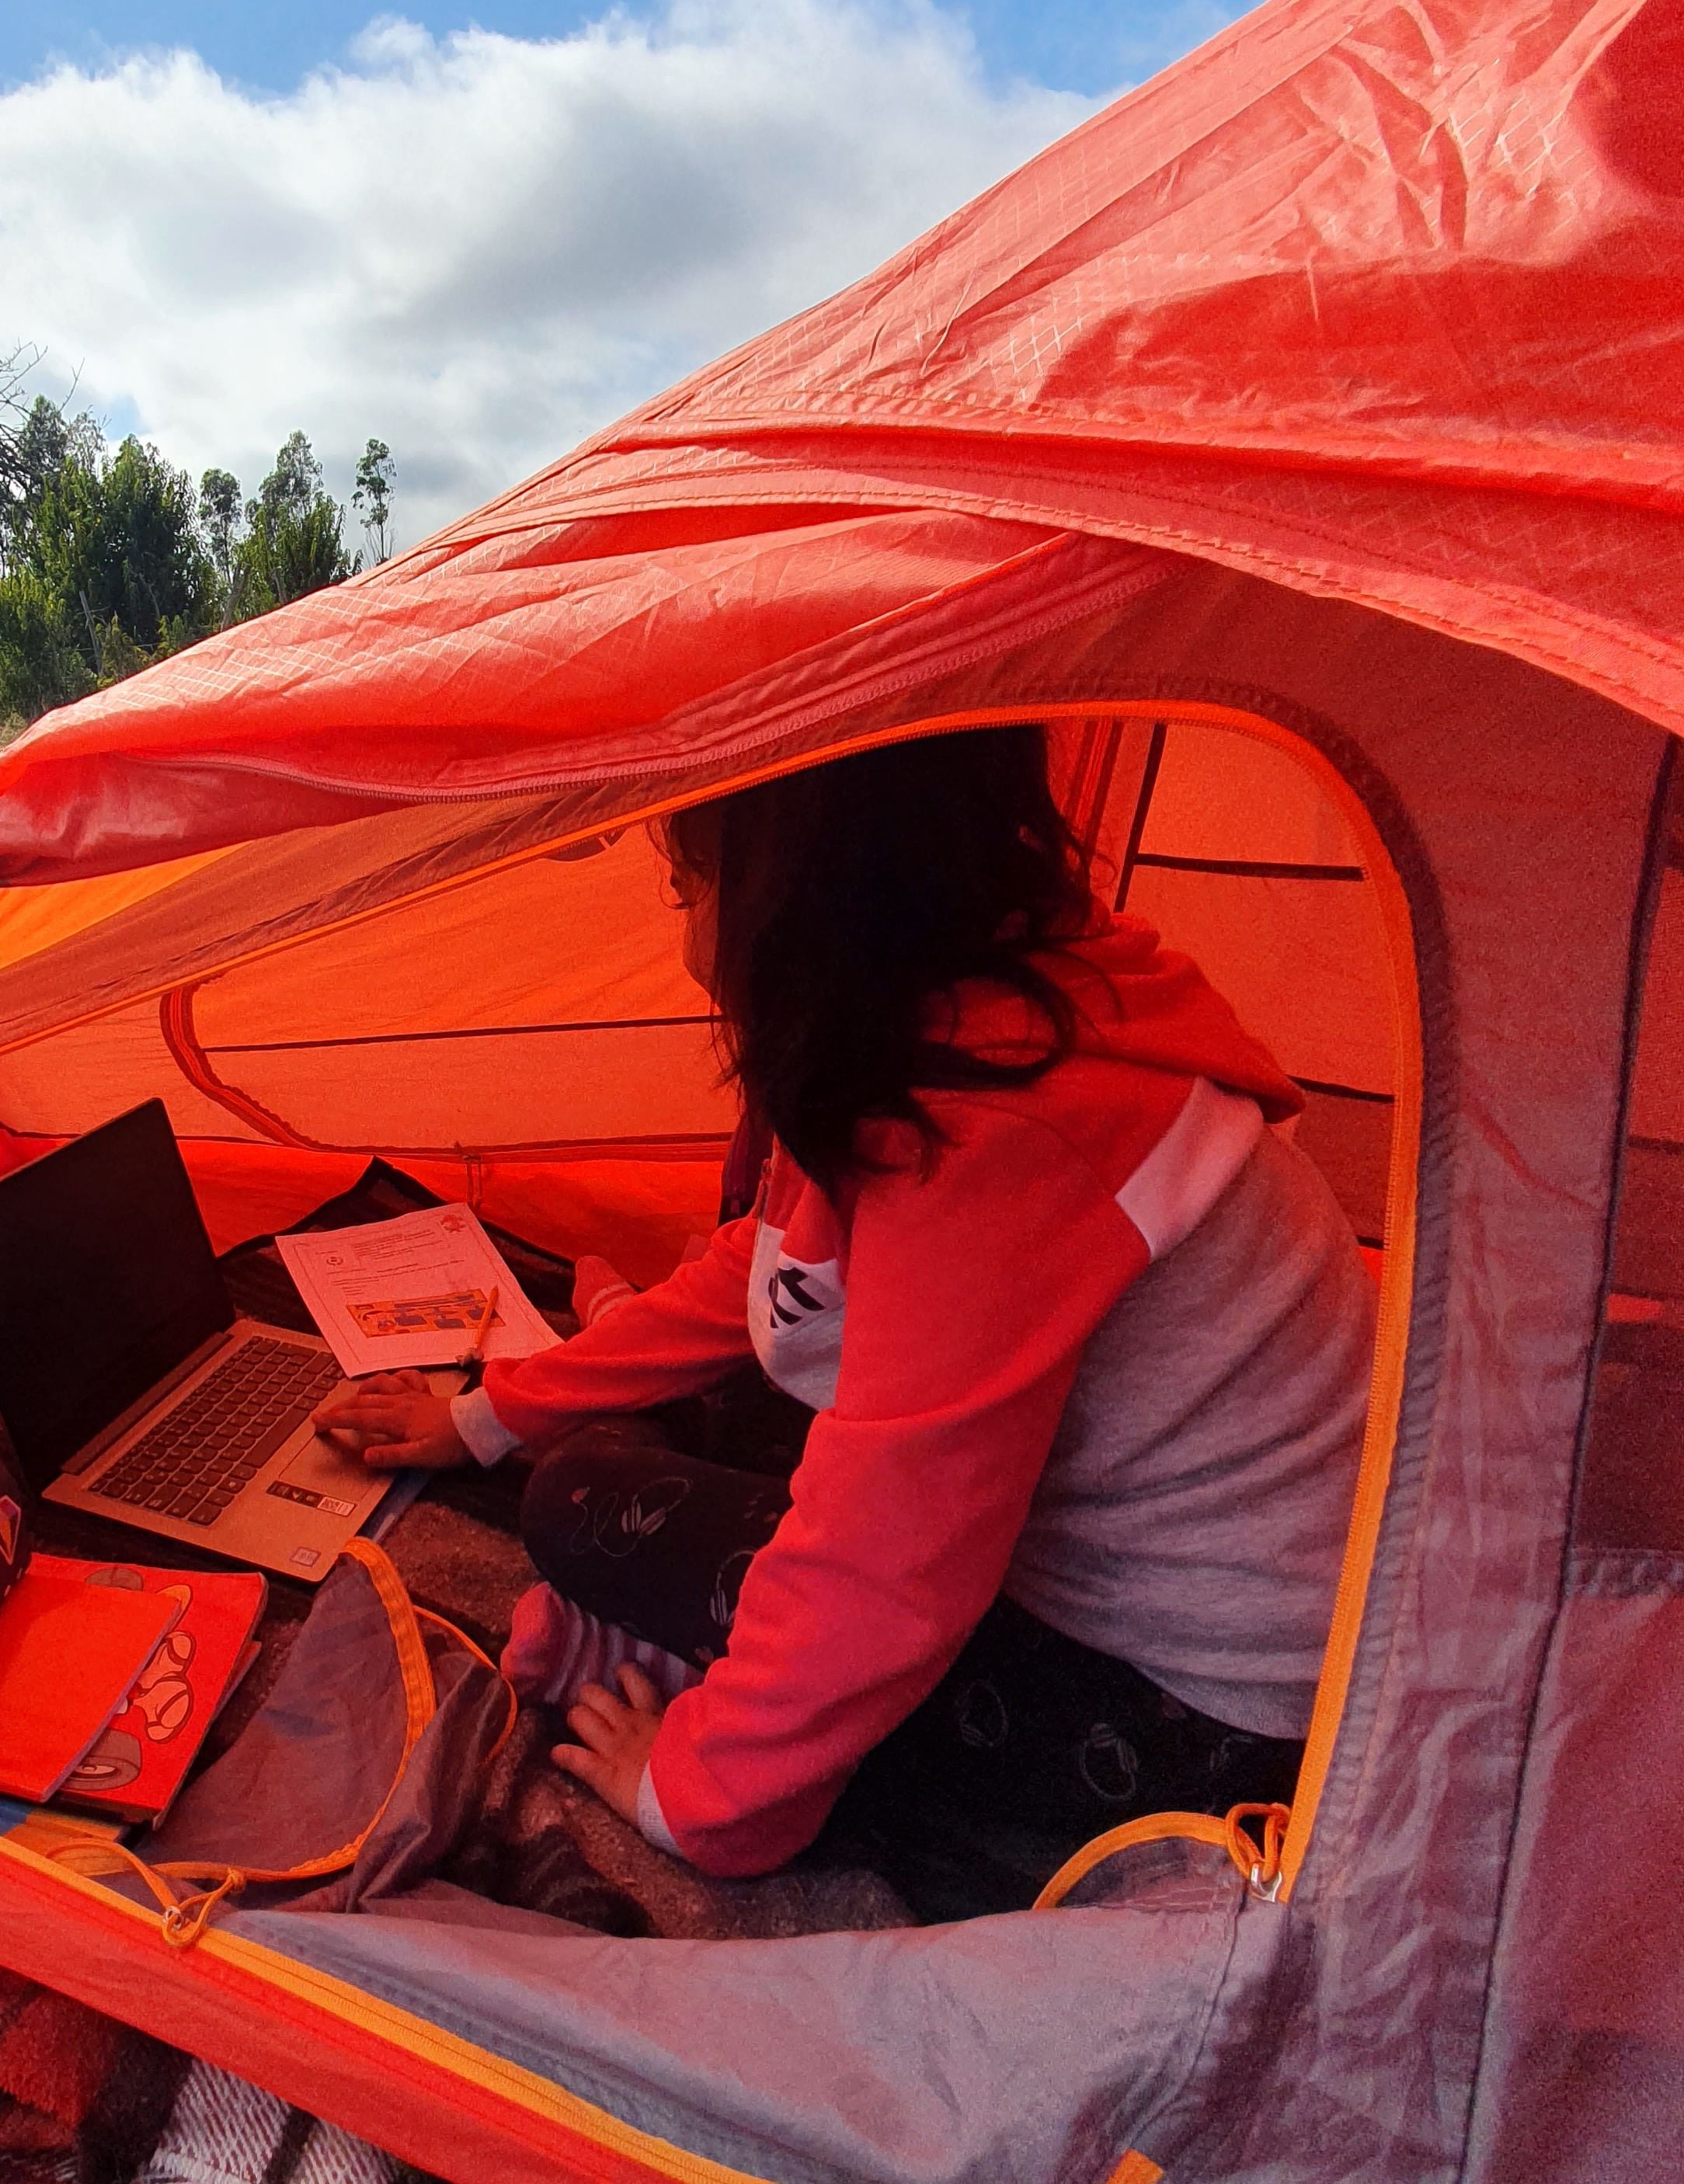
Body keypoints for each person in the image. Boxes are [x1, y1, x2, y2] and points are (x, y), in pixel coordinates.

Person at [315, 727, 1375, 1918]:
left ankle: (690, 1680)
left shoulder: (992, 1134)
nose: (687, 940)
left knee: (582, 1506)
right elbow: (759, 1280)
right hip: (1236, 1596)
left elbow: (889, 1569)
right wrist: (490, 1412)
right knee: (734, 1401)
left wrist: (694, 1791)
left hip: (1210, 1725)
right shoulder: (1024, 1003)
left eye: (689, 887)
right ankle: (687, 1599)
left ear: (791, 900)